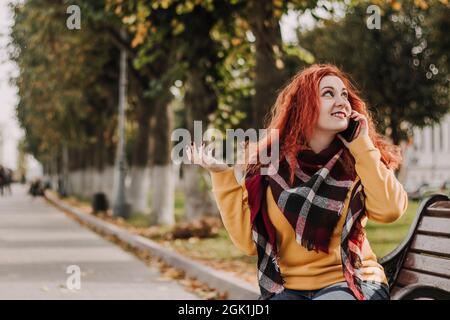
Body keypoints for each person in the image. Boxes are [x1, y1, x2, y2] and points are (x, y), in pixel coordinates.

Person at [186, 64, 408, 300]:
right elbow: (248, 243)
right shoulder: (270, 167)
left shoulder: (357, 160)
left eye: (344, 94)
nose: (342, 101)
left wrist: (362, 145)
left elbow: (390, 211)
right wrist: (221, 174)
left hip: (353, 282)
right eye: (328, 94)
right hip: (291, 289)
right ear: (305, 106)